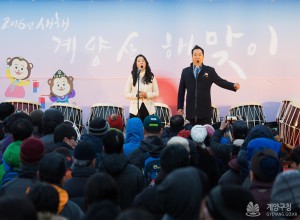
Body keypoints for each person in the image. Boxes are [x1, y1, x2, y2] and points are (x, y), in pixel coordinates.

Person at [177, 45, 240, 125]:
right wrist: (180, 107)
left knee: (206, 135)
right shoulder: (185, 71)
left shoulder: (209, 70)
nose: (197, 57)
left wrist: (232, 85)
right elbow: (181, 91)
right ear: (192, 57)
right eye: (195, 55)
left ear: (203, 57)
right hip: (190, 113)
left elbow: (220, 81)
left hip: (205, 112)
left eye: (200, 55)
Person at [125, 54, 159, 122]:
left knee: (149, 130)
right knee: (135, 129)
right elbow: (126, 94)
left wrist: (147, 95)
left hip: (149, 108)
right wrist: (136, 95)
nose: (141, 62)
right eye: (139, 61)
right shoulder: (132, 76)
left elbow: (157, 93)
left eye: (143, 61)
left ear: (146, 63)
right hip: (135, 109)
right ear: (136, 63)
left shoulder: (151, 76)